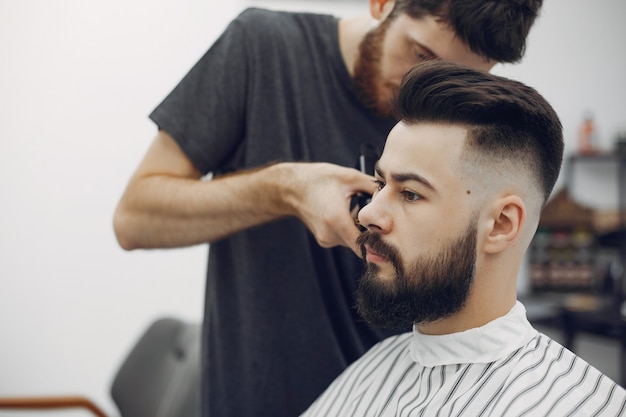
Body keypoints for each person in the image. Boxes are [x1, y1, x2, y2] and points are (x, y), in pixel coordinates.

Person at [113, 1, 544, 415]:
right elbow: (134, 219)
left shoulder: (460, 124)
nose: (424, 88)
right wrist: (284, 189)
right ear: (382, 4)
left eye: (455, 75)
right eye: (420, 53)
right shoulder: (264, 48)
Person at [300, 60, 626, 416]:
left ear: (501, 224)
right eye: (380, 185)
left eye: (410, 193)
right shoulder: (370, 371)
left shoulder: (582, 407)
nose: (367, 214)